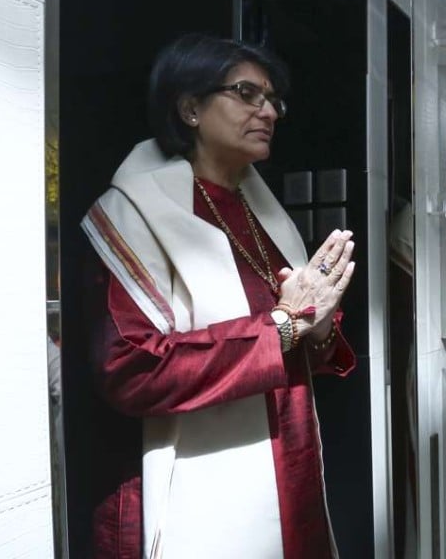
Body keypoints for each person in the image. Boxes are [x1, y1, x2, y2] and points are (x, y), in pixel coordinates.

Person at [81, 34, 357, 558]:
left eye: (273, 99)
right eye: (246, 93)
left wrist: (318, 332)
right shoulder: (133, 213)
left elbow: (292, 340)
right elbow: (128, 368)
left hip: (289, 462)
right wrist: (285, 327)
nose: (268, 111)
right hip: (203, 476)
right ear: (189, 107)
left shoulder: (264, 214)